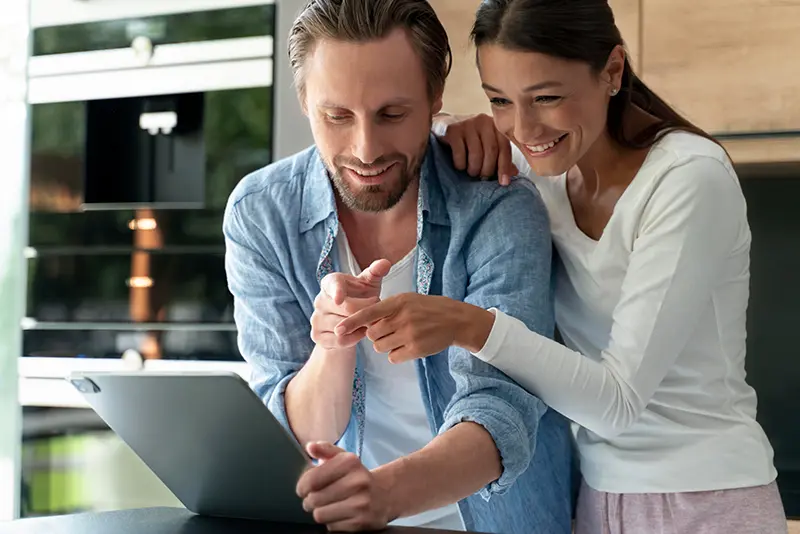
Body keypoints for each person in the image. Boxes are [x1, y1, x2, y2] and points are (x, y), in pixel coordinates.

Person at [336, 0, 788, 532]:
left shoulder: (688, 178)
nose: (523, 127)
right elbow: (432, 128)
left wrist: (467, 323)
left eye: (546, 97)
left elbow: (617, 404)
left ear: (612, 71)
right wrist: (457, 126)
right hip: (596, 496)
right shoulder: (541, 170)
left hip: (710, 499)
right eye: (499, 100)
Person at [222, 1, 572, 532]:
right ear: (304, 102)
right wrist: (333, 346)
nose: (365, 150)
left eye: (392, 114)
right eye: (336, 116)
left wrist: (382, 494)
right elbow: (288, 428)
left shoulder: (495, 205)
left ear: (436, 98)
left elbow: (501, 408)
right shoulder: (261, 214)